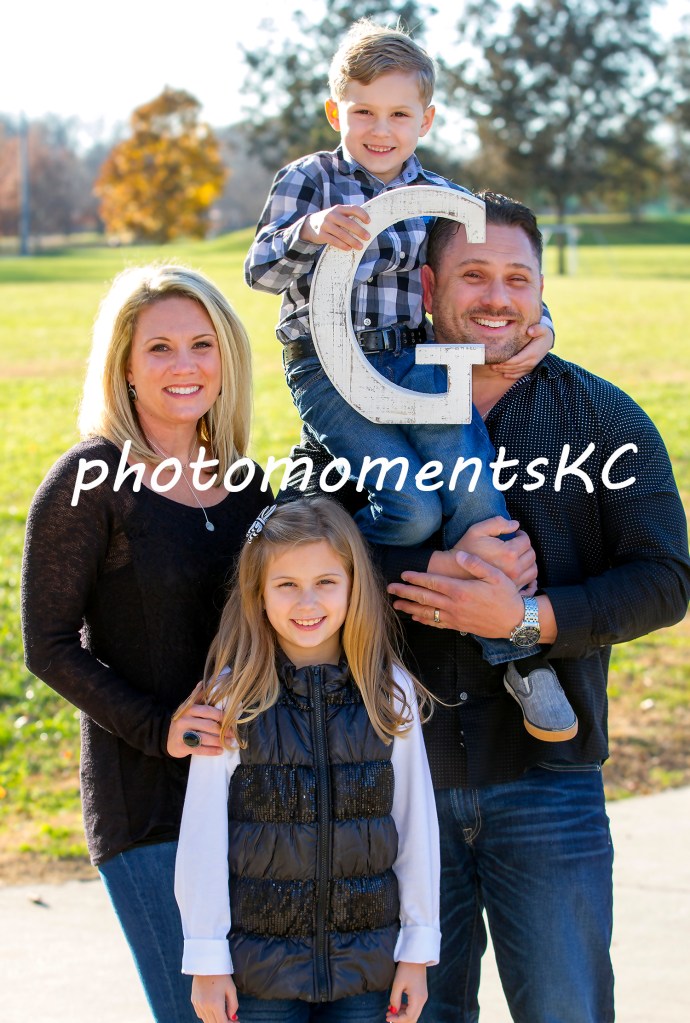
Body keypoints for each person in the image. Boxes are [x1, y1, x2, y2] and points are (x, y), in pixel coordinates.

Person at [377, 192, 690, 1022]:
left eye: (517, 277)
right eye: (473, 274)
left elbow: (666, 577)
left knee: (566, 1010)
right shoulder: (368, 409)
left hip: (549, 781)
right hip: (398, 785)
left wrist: (524, 620)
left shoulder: (602, 415)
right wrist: (432, 569)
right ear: (428, 289)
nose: (497, 296)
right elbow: (294, 549)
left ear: (542, 285)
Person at [245, 18, 575, 742]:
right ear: (335, 111)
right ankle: (343, 589)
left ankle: (518, 657)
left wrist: (541, 325)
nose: (380, 129)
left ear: (425, 120)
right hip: (328, 364)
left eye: (399, 114)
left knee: (473, 485)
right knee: (412, 508)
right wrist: (309, 231)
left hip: (413, 358)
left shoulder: (440, 196)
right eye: (363, 111)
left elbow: (491, 270)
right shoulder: (309, 180)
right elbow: (258, 269)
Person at [21, 264, 268, 1023]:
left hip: (253, 801)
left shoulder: (248, 485)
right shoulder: (91, 481)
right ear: (124, 365)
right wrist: (158, 727)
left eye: (202, 344)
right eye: (159, 348)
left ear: (226, 358)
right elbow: (48, 644)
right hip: (149, 805)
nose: (184, 365)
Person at [174, 497, 440, 1023]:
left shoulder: (390, 692)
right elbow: (203, 838)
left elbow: (416, 828)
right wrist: (207, 959)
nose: (307, 601)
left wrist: (416, 950)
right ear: (259, 594)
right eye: (286, 584)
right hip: (258, 976)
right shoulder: (231, 700)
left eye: (325, 581)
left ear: (353, 586)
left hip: (368, 969)